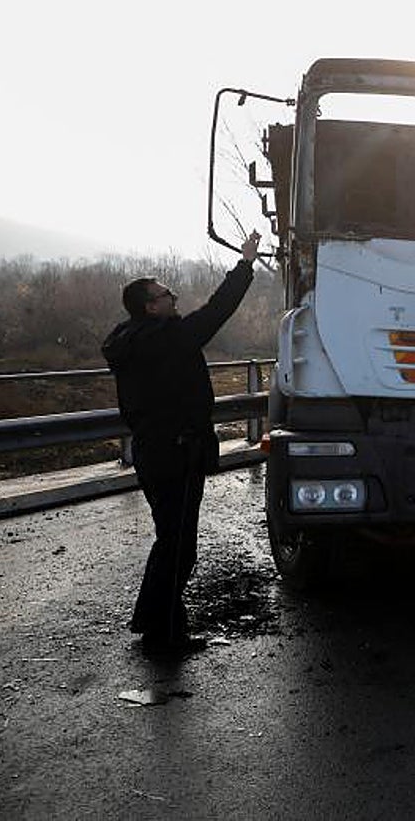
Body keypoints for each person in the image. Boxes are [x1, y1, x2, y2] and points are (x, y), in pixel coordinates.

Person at [102, 232, 261, 655]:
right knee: (178, 546)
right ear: (150, 307)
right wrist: (245, 263)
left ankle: (153, 622)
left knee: (169, 539)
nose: (173, 297)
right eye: (165, 294)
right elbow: (218, 310)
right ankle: (164, 635)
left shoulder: (130, 339)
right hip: (176, 452)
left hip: (152, 451)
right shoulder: (167, 339)